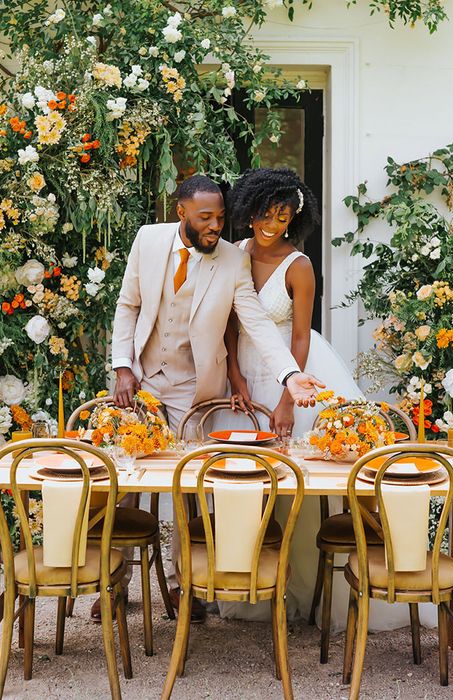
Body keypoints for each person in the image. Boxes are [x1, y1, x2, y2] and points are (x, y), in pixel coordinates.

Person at [103, 174, 325, 622]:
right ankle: (112, 585)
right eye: (205, 217)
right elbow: (128, 305)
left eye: (221, 217)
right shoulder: (147, 240)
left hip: (194, 387)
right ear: (180, 211)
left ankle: (187, 587)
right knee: (122, 483)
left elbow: (258, 323)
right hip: (141, 376)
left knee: (193, 488)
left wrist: (290, 375)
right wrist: (123, 365)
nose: (215, 226)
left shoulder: (231, 260)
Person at [217, 167, 365, 628]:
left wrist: (287, 396)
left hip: (290, 375)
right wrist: (233, 373)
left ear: (292, 220)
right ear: (249, 210)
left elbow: (299, 337)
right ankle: (247, 585)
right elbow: (226, 321)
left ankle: (302, 589)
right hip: (240, 372)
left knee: (294, 481)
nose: (270, 224)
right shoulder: (234, 253)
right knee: (243, 481)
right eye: (264, 213)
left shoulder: (299, 266)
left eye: (281, 217)